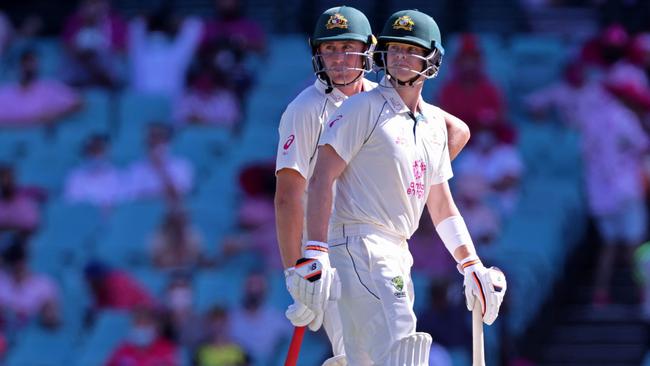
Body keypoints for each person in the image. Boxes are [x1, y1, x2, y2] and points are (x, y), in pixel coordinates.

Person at [288, 10, 506, 364]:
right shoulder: (361, 108)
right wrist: (315, 251)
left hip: (395, 249)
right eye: (395, 49)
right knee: (403, 351)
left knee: (361, 360)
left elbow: (441, 203)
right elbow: (321, 178)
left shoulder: (435, 123)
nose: (402, 58)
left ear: (431, 58)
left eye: (412, 50)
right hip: (357, 244)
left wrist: (471, 265)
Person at [64, 134, 123, 207]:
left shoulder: (117, 176)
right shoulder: (75, 176)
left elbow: (121, 206)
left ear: (107, 153)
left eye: (99, 151)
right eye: (92, 151)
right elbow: (71, 207)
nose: (95, 155)